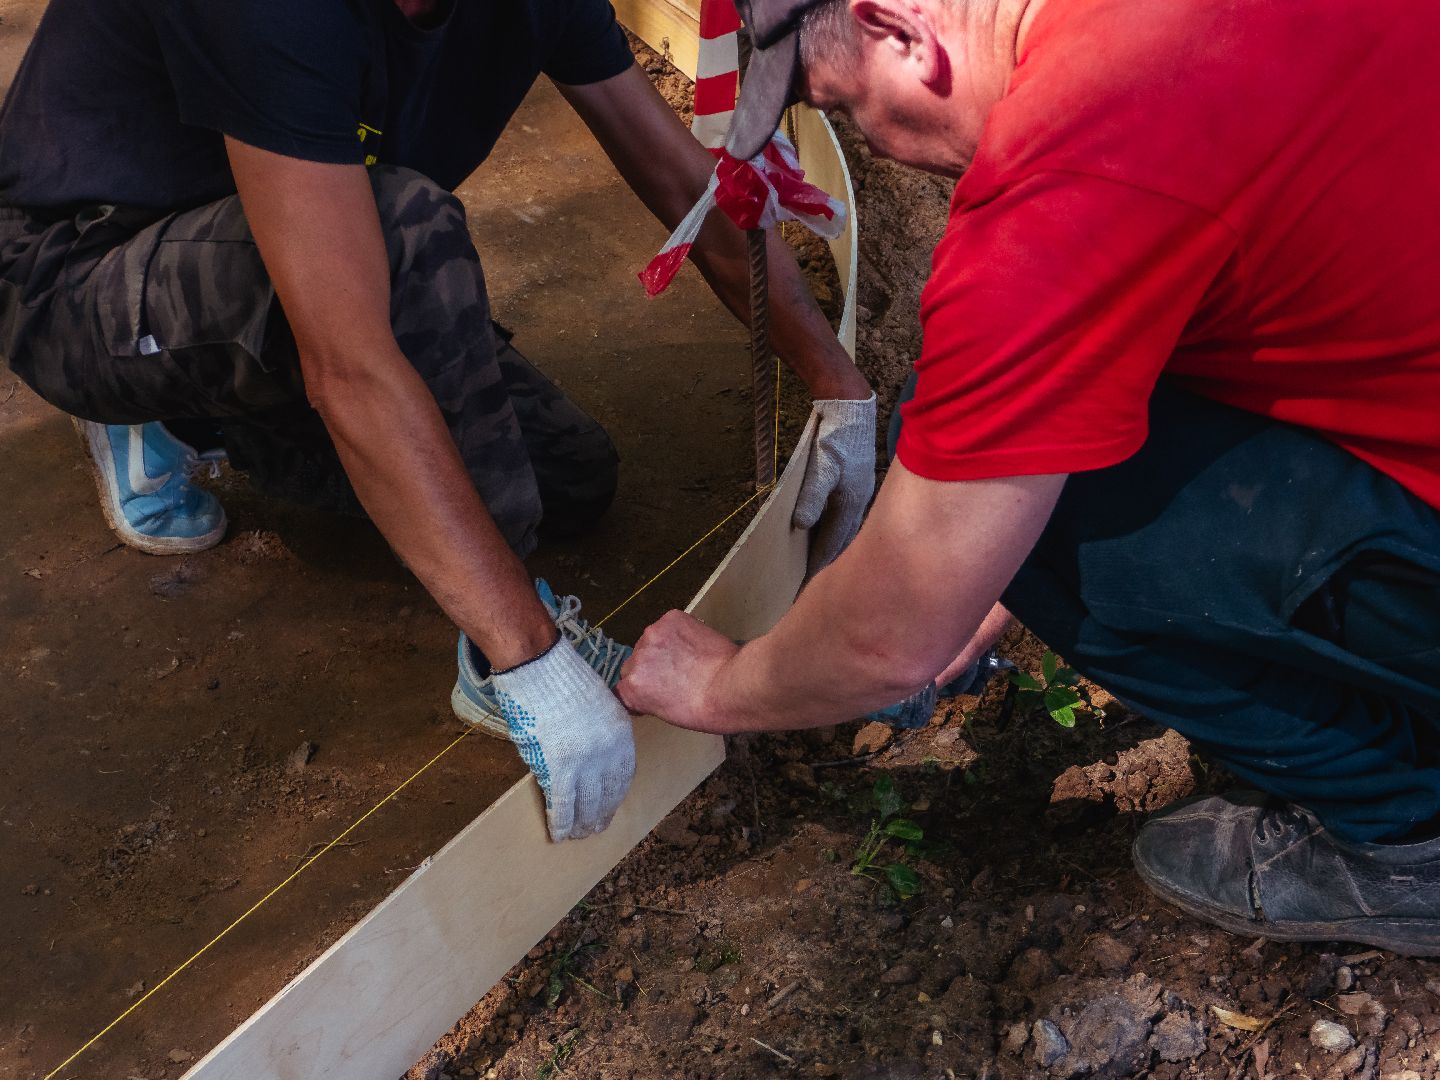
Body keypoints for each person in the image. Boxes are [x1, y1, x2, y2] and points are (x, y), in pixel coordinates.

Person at [618, 0, 1440, 954]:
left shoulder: (1071, 173)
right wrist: (995, 575)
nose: (874, 151)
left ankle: (1403, 841)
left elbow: (890, 638)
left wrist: (721, 688)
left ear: (900, 31)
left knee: (1035, 504)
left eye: (847, 113)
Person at [0, 0, 875, 842]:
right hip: (92, 271)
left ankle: (218, 415)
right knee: (404, 239)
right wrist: (527, 655)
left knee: (565, 476)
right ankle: (154, 403)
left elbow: (688, 188)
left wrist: (840, 391)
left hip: (295, 248)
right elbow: (350, 366)